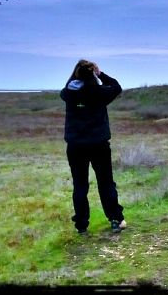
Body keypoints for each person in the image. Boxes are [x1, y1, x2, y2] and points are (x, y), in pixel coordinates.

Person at [60, 59, 126, 234]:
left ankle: (81, 225)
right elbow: (116, 87)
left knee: (80, 185)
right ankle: (115, 219)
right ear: (92, 73)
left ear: (76, 73)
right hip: (99, 145)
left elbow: (67, 88)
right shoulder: (100, 92)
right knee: (105, 183)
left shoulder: (68, 93)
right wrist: (100, 74)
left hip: (75, 146)